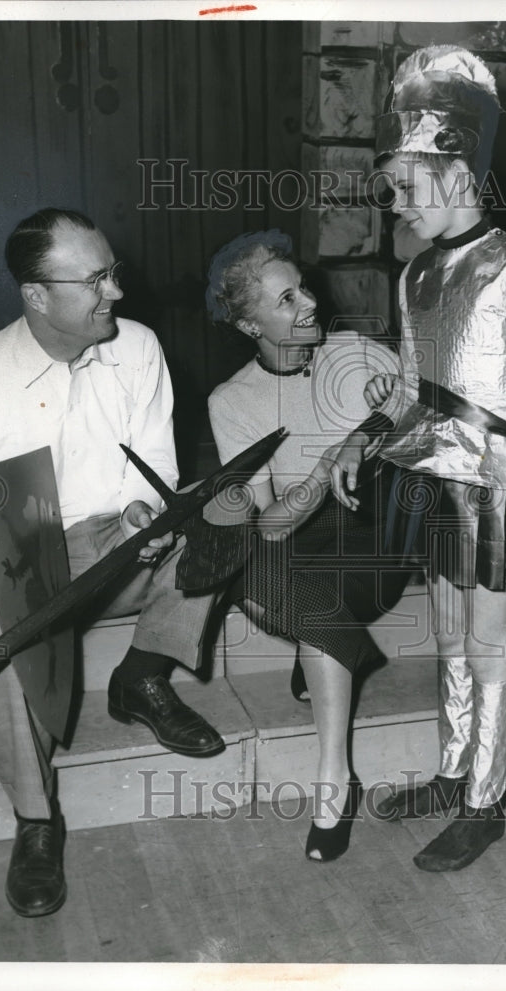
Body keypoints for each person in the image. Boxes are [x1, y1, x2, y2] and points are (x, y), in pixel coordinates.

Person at [0, 208, 225, 917]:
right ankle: (36, 818)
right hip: (22, 552)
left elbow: (156, 466)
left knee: (222, 519)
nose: (116, 291)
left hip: (117, 543)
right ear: (37, 295)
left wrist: (151, 509)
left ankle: (140, 680)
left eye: (114, 272)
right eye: (97, 279)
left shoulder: (137, 348)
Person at [330, 45, 506, 871]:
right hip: (431, 475)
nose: (396, 203)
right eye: (392, 188)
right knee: (449, 639)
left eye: (408, 186)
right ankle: (451, 767)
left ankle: (484, 801)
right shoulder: (417, 272)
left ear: (461, 174)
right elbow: (407, 380)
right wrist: (363, 440)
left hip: (496, 489)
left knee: (489, 645)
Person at [206, 230, 411, 863]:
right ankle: (337, 774)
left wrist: (387, 414)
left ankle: (331, 777)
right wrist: (326, 465)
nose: (310, 306)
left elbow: (426, 399)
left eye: (305, 289)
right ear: (249, 324)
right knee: (250, 559)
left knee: (298, 586)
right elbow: (269, 525)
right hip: (298, 541)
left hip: (375, 542)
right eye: (287, 300)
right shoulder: (232, 402)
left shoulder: (356, 354)